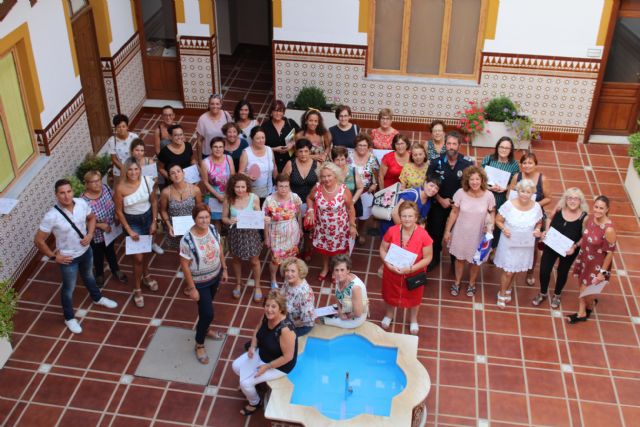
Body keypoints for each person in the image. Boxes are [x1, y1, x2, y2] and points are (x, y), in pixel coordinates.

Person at [34, 179, 118, 334]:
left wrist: (91, 234)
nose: (66, 196)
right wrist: (53, 257)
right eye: (62, 193)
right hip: (67, 258)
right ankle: (69, 318)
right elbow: (38, 240)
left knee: (89, 276)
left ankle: (97, 298)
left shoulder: (80, 203)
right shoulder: (52, 216)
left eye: (68, 191)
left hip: (85, 251)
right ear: (56, 195)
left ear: (72, 191)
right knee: (68, 288)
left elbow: (92, 218)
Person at [232, 290, 297, 416]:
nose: (269, 310)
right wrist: (252, 346)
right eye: (267, 305)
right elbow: (258, 330)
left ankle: (255, 402)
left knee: (245, 383)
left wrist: (267, 367)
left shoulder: (285, 330)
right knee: (235, 366)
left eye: (273, 306)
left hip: (279, 365)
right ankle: (253, 387)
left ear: (280, 309)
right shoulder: (267, 317)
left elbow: (288, 357)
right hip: (263, 352)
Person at [180, 203, 228, 364]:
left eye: (207, 217)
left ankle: (205, 328)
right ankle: (199, 343)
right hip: (199, 283)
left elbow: (220, 248)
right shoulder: (187, 240)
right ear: (194, 219)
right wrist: (191, 288)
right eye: (201, 217)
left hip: (215, 276)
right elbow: (185, 266)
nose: (204, 220)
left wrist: (225, 268)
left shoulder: (213, 229)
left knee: (204, 310)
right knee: (208, 313)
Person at [379, 201, 433, 335]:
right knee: (389, 295)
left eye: (410, 216)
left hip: (414, 274)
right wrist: (387, 264)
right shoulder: (392, 231)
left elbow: (428, 258)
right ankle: (389, 315)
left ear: (415, 218)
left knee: (414, 298)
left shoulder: (423, 235)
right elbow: (382, 249)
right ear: (399, 217)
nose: (407, 219)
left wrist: (411, 269)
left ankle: (413, 319)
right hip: (392, 272)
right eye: (404, 216)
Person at [444, 166, 496, 298]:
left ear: (482, 180)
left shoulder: (489, 195)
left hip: (479, 234)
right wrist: (447, 231)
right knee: (460, 259)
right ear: (467, 180)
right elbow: (454, 212)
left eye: (477, 179)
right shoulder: (460, 193)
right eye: (471, 179)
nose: (474, 182)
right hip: (461, 232)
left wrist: (491, 226)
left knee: (475, 261)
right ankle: (457, 282)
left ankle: (472, 284)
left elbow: (492, 212)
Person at [114, 158, 159, 308]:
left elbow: (153, 201)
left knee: (146, 252)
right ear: (125, 171)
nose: (133, 172)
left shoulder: (147, 181)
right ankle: (137, 288)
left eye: (136, 169)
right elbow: (119, 212)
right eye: (130, 169)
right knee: (138, 258)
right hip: (132, 222)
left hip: (147, 219)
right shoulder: (120, 188)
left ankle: (146, 275)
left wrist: (154, 221)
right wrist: (128, 230)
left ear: (140, 169)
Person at [426, 131, 474, 272]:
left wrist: (459, 203)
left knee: (457, 234)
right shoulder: (436, 162)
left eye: (454, 144)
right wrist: (440, 200)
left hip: (459, 207)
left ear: (459, 146)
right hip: (439, 203)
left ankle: (454, 262)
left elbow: (471, 185)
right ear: (445, 145)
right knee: (435, 232)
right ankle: (434, 258)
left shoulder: (467, 163)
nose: (451, 146)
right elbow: (428, 184)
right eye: (449, 143)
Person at [533, 188, 588, 309]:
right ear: (565, 199)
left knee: (562, 271)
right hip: (551, 244)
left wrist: (575, 246)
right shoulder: (559, 209)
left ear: (581, 201)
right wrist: (546, 232)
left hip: (569, 250)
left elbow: (585, 236)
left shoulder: (584, 217)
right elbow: (549, 219)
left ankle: (557, 295)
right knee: (544, 270)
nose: (572, 201)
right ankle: (543, 293)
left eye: (576, 199)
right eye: (570, 198)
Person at [494, 180, 543, 309]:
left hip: (525, 243)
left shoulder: (537, 207)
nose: (524, 194)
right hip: (509, 242)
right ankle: (502, 292)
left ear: (532, 193)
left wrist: (537, 230)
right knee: (508, 271)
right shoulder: (508, 205)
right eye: (522, 191)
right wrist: (504, 229)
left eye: (528, 192)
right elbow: (498, 220)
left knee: (515, 269)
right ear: (518, 191)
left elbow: (539, 222)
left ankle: (509, 288)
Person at [568, 195, 617, 324]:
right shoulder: (590, 219)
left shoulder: (609, 229)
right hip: (585, 259)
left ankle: (582, 312)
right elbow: (585, 237)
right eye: (596, 207)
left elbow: (610, 253)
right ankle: (588, 307)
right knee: (582, 286)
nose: (598, 210)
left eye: (601, 208)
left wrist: (602, 272)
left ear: (607, 209)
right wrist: (576, 245)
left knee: (584, 290)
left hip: (597, 265)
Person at [305, 162, 357, 283]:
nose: (326, 179)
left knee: (338, 251)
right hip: (322, 226)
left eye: (329, 176)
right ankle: (325, 267)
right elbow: (309, 198)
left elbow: (350, 208)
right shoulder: (317, 187)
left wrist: (352, 225)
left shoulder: (343, 190)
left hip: (340, 227)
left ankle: (335, 269)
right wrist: (311, 210)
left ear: (335, 176)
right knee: (324, 249)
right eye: (323, 176)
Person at [509, 152, 551, 285]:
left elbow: (549, 198)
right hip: (518, 214)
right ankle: (511, 265)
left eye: (530, 163)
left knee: (532, 246)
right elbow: (510, 195)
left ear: (536, 164)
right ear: (520, 165)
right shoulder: (517, 176)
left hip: (534, 216)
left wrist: (533, 205)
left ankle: (530, 272)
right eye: (524, 163)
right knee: (514, 239)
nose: (527, 165)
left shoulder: (542, 179)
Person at [80, 170, 127, 288]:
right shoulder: (82, 201)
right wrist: (99, 225)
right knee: (98, 254)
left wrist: (117, 214)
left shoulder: (105, 188)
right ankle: (99, 274)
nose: (97, 184)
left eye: (99, 180)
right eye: (93, 182)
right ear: (86, 184)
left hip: (111, 229)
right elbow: (80, 221)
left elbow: (115, 200)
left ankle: (115, 270)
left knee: (111, 250)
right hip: (95, 234)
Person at [222, 174, 264, 302]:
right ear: (232, 188)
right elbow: (223, 218)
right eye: (237, 187)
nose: (240, 190)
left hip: (251, 233)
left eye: (243, 187)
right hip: (235, 233)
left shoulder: (254, 198)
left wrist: (260, 214)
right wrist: (230, 221)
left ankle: (257, 285)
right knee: (236, 259)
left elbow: (259, 215)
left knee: (254, 261)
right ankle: (238, 283)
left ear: (247, 187)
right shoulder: (228, 199)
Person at [263, 174, 303, 289]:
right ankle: (273, 278)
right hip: (276, 234)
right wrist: (266, 237)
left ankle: (289, 275)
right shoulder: (269, 200)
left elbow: (299, 213)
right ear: (276, 186)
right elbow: (265, 220)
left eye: (286, 186)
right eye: (281, 186)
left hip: (292, 232)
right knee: (276, 259)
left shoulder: (294, 197)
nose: (284, 189)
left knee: (291, 256)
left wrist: (300, 228)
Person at [481, 137, 520, 250]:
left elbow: (515, 183)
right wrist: (488, 186)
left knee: (498, 222)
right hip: (487, 194)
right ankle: (481, 243)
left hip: (502, 198)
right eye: (501, 147)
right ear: (497, 147)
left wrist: (506, 188)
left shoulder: (514, 165)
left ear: (511, 150)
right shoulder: (488, 159)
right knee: (483, 218)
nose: (504, 150)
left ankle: (493, 247)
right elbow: (479, 177)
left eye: (507, 148)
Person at [282, 139, 318, 262]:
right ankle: (294, 250)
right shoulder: (290, 164)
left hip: (311, 202)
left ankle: (307, 249)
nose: (303, 154)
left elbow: (319, 183)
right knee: (294, 229)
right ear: (296, 152)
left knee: (308, 229)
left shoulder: (316, 164)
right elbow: (283, 183)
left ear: (310, 151)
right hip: (293, 202)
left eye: (306, 151)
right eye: (300, 151)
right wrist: (290, 199)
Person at [130, 139, 163, 255]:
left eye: (142, 150)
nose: (139, 153)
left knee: (152, 220)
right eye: (137, 150)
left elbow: (155, 179)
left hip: (150, 193)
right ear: (132, 151)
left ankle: (153, 243)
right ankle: (140, 244)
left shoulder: (149, 161)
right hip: (136, 196)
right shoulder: (128, 164)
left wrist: (151, 192)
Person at [159, 164, 203, 250]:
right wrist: (169, 225)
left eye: (178, 171)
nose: (176, 175)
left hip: (192, 226)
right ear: (170, 177)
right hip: (175, 228)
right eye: (172, 173)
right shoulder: (166, 192)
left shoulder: (195, 190)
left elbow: (199, 208)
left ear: (183, 173)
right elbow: (163, 211)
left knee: (195, 250)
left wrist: (199, 224)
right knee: (180, 251)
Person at [349, 133, 379, 244]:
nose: (362, 148)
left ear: (368, 147)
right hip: (350, 192)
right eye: (359, 145)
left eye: (364, 145)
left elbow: (376, 173)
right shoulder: (349, 157)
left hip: (366, 192)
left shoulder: (372, 158)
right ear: (356, 146)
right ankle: (349, 233)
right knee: (350, 214)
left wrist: (374, 184)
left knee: (364, 216)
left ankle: (360, 232)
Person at [323, 255, 368, 329]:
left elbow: (358, 313)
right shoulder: (338, 279)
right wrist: (340, 311)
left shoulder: (355, 288)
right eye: (336, 270)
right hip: (344, 308)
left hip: (354, 317)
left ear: (348, 270)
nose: (339, 273)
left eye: (342, 270)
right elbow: (337, 296)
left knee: (321, 321)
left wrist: (345, 316)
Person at [200, 136, 235, 225]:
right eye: (215, 147)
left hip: (228, 193)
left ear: (224, 148)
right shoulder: (205, 162)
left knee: (229, 219)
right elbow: (205, 182)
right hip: (213, 195)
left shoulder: (228, 159)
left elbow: (233, 177)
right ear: (211, 148)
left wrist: (227, 194)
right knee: (216, 222)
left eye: (220, 147)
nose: (218, 149)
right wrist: (217, 195)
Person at [239, 126, 278, 204]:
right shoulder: (246, 153)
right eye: (258, 138)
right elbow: (240, 173)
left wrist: (278, 183)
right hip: (252, 192)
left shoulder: (269, 150)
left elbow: (274, 168)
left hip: (269, 191)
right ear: (252, 139)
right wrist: (248, 176)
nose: (261, 140)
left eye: (263, 137)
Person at [279, 258, 315, 336]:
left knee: (278, 337)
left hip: (300, 325)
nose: (289, 274)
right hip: (287, 317)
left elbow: (306, 319)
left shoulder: (304, 293)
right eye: (287, 270)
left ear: (300, 272)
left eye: (293, 271)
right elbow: (281, 297)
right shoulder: (288, 281)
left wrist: (286, 326)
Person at [262, 100, 300, 172]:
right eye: (275, 110)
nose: (278, 113)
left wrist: (292, 144)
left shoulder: (290, 123)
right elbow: (260, 146)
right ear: (271, 112)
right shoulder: (265, 126)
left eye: (280, 111)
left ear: (283, 112)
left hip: (290, 162)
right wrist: (274, 149)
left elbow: (301, 136)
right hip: (272, 163)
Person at [196, 94, 232, 158]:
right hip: (208, 153)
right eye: (212, 104)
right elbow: (199, 141)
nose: (215, 106)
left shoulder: (226, 115)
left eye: (217, 104)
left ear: (221, 104)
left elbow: (231, 131)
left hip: (224, 152)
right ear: (209, 105)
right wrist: (200, 160)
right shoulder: (202, 119)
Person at [333, 146, 364, 219]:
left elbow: (360, 188)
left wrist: (352, 202)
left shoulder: (352, 170)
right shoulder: (330, 172)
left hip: (351, 206)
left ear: (346, 159)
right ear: (333, 160)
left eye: (342, 159)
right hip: (334, 208)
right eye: (337, 160)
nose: (340, 163)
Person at [108, 114, 138, 179]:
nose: (121, 129)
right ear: (115, 128)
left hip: (134, 170)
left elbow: (139, 153)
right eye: (119, 127)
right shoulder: (112, 141)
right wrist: (125, 170)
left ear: (127, 127)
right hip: (120, 172)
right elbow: (114, 159)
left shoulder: (134, 137)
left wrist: (132, 169)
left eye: (123, 126)